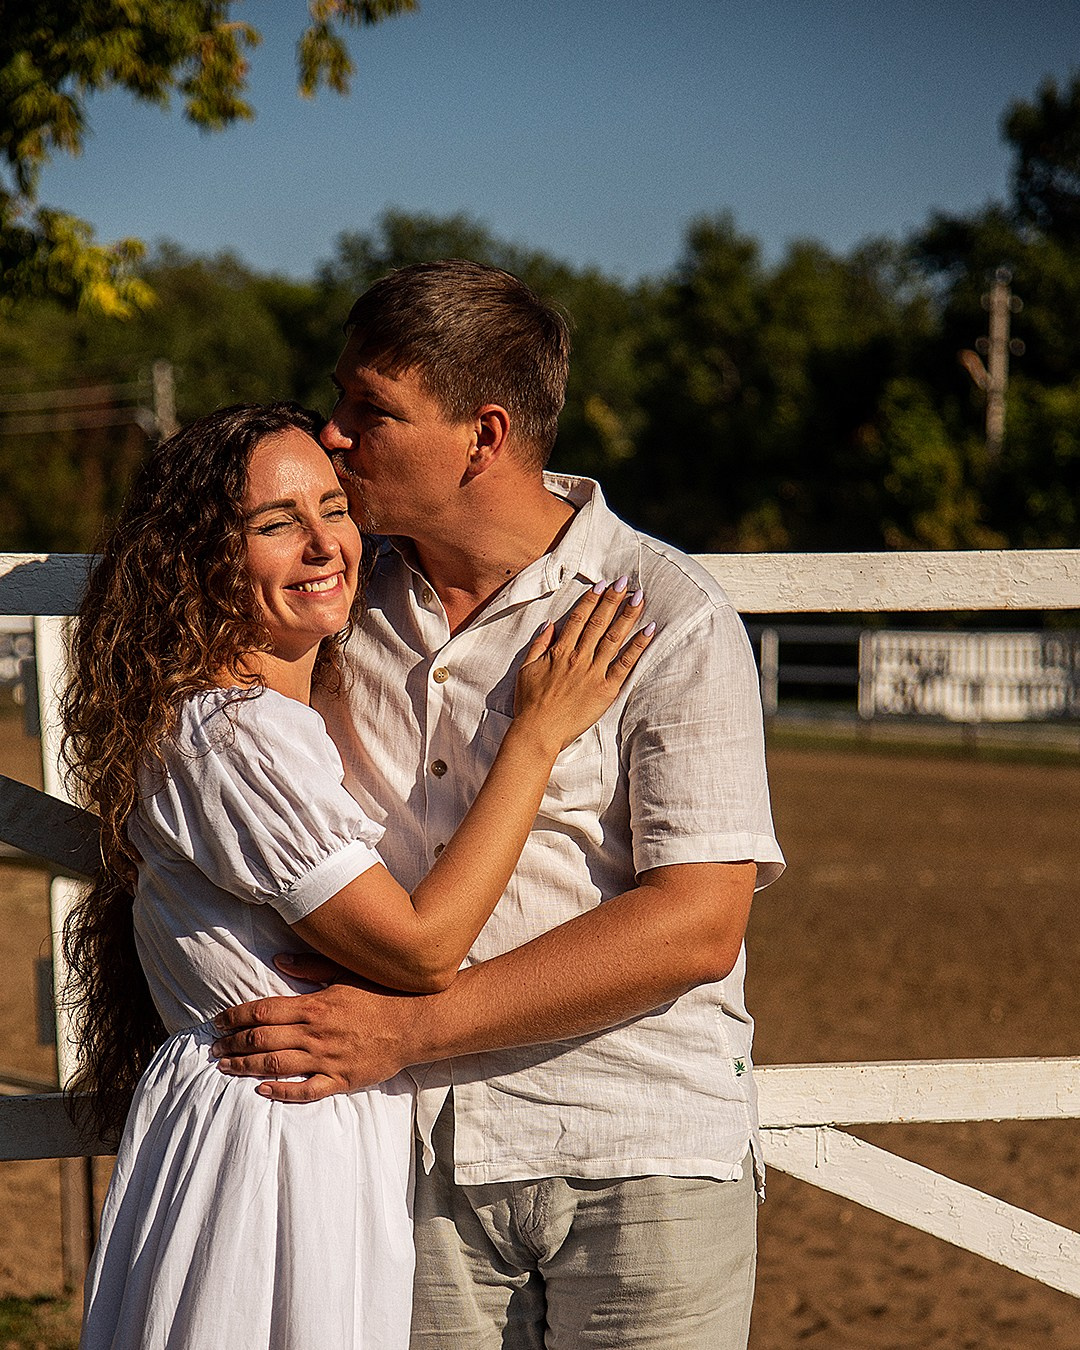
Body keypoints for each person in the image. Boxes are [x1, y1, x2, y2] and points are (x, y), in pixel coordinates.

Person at [209, 261, 787, 1349]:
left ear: (483, 434)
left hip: (633, 1144)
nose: (333, 434)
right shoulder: (334, 599)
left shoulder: (665, 615)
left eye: (369, 410)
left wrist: (413, 1027)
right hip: (402, 1152)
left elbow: (700, 924)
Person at [61, 401, 652, 1350]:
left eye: (334, 509)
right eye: (274, 524)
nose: (323, 545)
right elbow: (418, 952)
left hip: (308, 1128)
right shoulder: (233, 735)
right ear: (198, 561)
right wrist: (536, 735)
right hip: (271, 1137)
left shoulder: (268, 721)